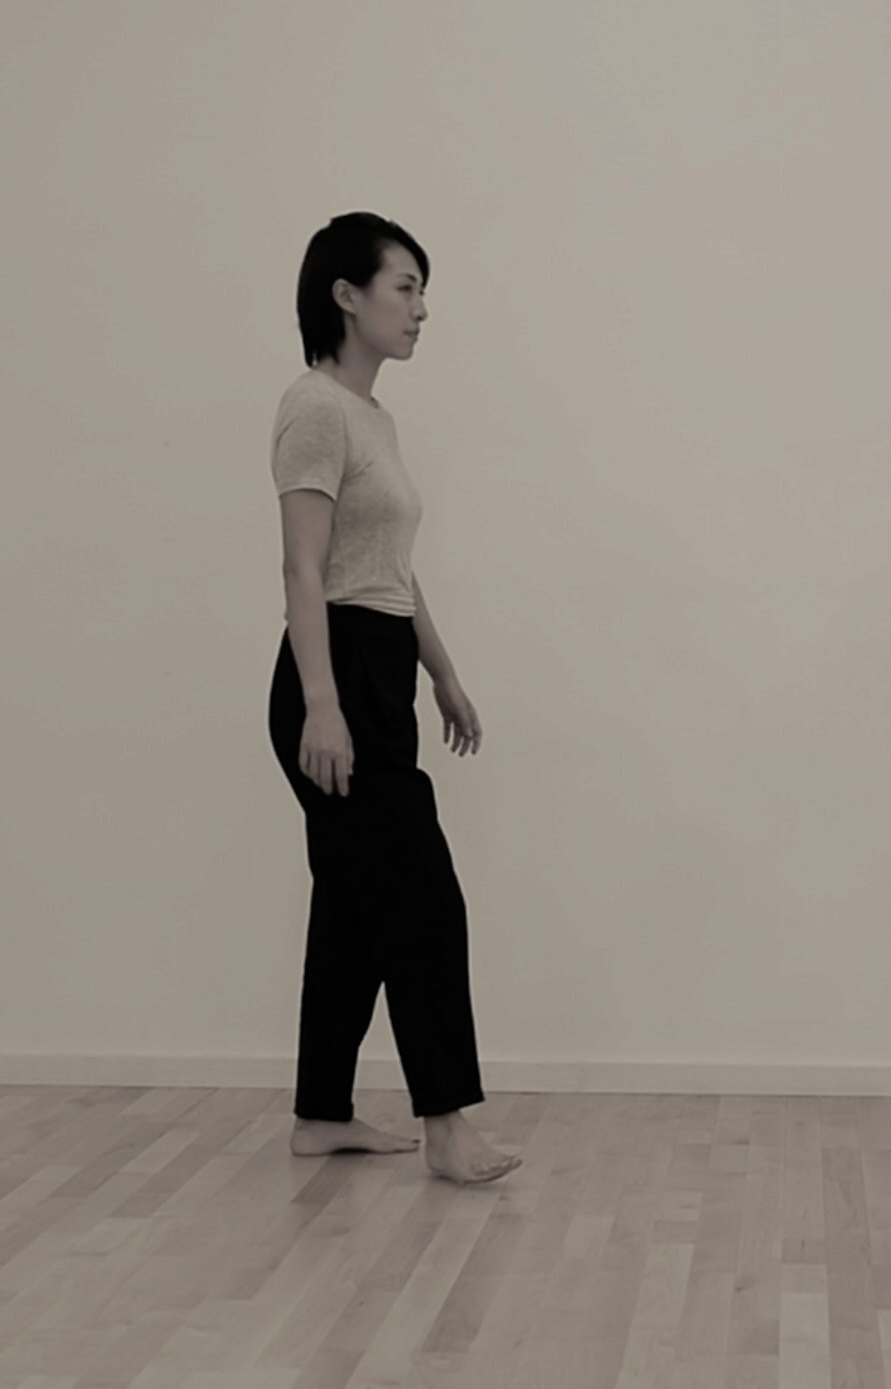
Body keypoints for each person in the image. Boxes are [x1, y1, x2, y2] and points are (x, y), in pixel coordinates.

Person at [265, 211, 518, 1185]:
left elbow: (390, 568)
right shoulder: (314, 408)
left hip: (380, 663)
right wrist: (322, 704)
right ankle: (447, 1125)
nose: (420, 309)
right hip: (330, 670)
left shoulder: (374, 418)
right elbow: (304, 567)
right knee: (421, 898)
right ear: (346, 294)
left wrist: (440, 671)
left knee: (352, 903)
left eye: (421, 290)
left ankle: (321, 1114)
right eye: (404, 287)